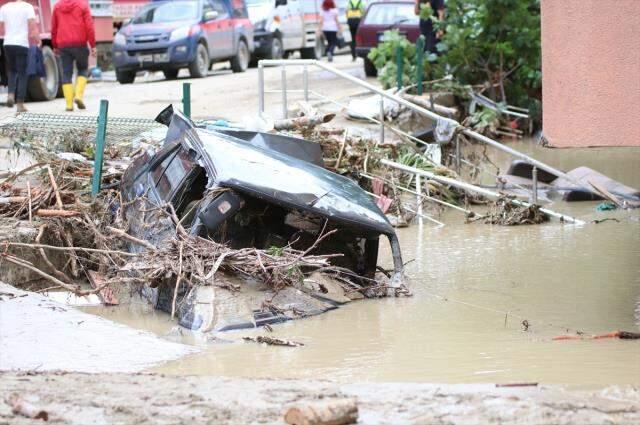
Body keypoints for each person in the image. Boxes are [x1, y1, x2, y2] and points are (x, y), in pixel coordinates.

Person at [51, 0, 96, 112]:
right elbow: (89, 26)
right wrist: (93, 45)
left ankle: (69, 105)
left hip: (63, 45)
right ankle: (78, 97)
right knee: (83, 69)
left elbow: (54, 28)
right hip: (80, 43)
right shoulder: (82, 5)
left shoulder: (57, 7)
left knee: (66, 73)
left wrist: (55, 45)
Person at [0, 0, 40, 113]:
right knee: (22, 73)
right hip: (21, 43)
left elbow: (1, 26)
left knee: (12, 70)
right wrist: (37, 38)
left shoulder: (4, 8)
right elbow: (32, 23)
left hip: (7, 43)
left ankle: (10, 95)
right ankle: (20, 104)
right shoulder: (27, 7)